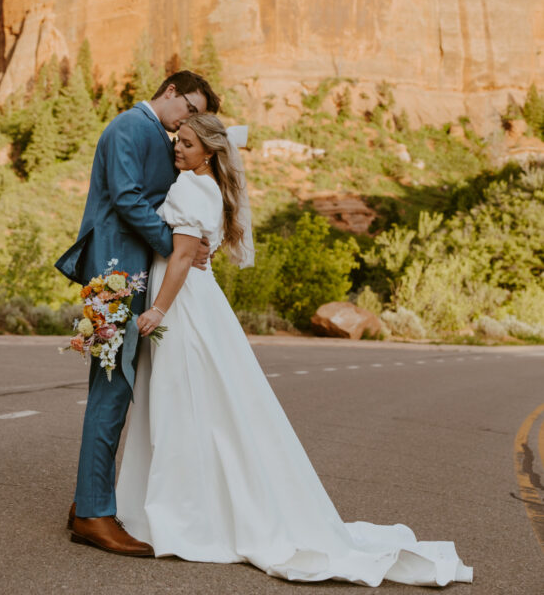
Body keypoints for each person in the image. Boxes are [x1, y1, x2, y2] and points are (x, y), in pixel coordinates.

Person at [115, 113, 473, 586]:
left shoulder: (186, 189)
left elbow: (182, 256)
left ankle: (181, 512)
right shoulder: (208, 189)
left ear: (209, 152)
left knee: (181, 402)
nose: (176, 149)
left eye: (185, 143)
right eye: (176, 141)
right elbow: (195, 249)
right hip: (201, 302)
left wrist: (158, 310)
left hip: (182, 307)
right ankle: (193, 504)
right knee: (206, 406)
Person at [55, 71, 220, 556]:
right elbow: (127, 199)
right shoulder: (130, 127)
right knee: (112, 388)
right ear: (170, 92)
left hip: (131, 274)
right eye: (189, 109)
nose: (187, 122)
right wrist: (177, 248)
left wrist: (187, 244)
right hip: (115, 274)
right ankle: (92, 515)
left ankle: (89, 502)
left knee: (117, 387)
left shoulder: (154, 133)